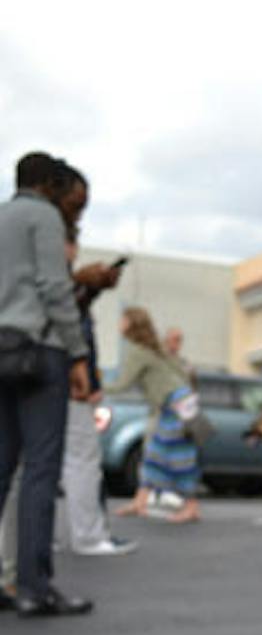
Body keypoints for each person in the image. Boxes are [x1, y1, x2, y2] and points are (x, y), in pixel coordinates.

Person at [0, 152, 93, 617]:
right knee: (40, 469)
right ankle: (34, 586)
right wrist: (78, 354)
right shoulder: (44, 218)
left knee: (1, 467)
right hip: (39, 353)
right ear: (51, 184)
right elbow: (55, 290)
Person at [61, 229, 135, 555]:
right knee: (82, 459)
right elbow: (66, 319)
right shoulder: (54, 281)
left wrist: (91, 288)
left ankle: (29, 540)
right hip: (65, 382)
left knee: (39, 463)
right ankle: (89, 536)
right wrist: (83, 373)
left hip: (51, 379)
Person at [111, 307, 201, 525]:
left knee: (179, 456)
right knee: (154, 452)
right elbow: (182, 373)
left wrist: (93, 388)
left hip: (175, 404)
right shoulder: (154, 348)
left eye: (122, 320)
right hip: (182, 401)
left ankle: (191, 507)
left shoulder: (139, 352)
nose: (119, 323)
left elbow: (121, 384)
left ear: (132, 324)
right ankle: (140, 501)